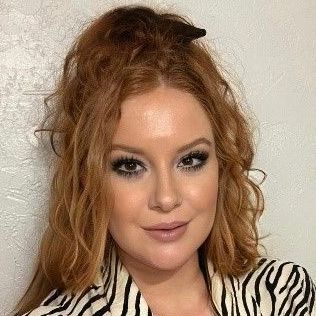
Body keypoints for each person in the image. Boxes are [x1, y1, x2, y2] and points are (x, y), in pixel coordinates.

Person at [13, 4, 315, 316]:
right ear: (89, 179)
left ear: (221, 165)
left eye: (191, 160)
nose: (166, 198)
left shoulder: (284, 294)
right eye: (130, 166)